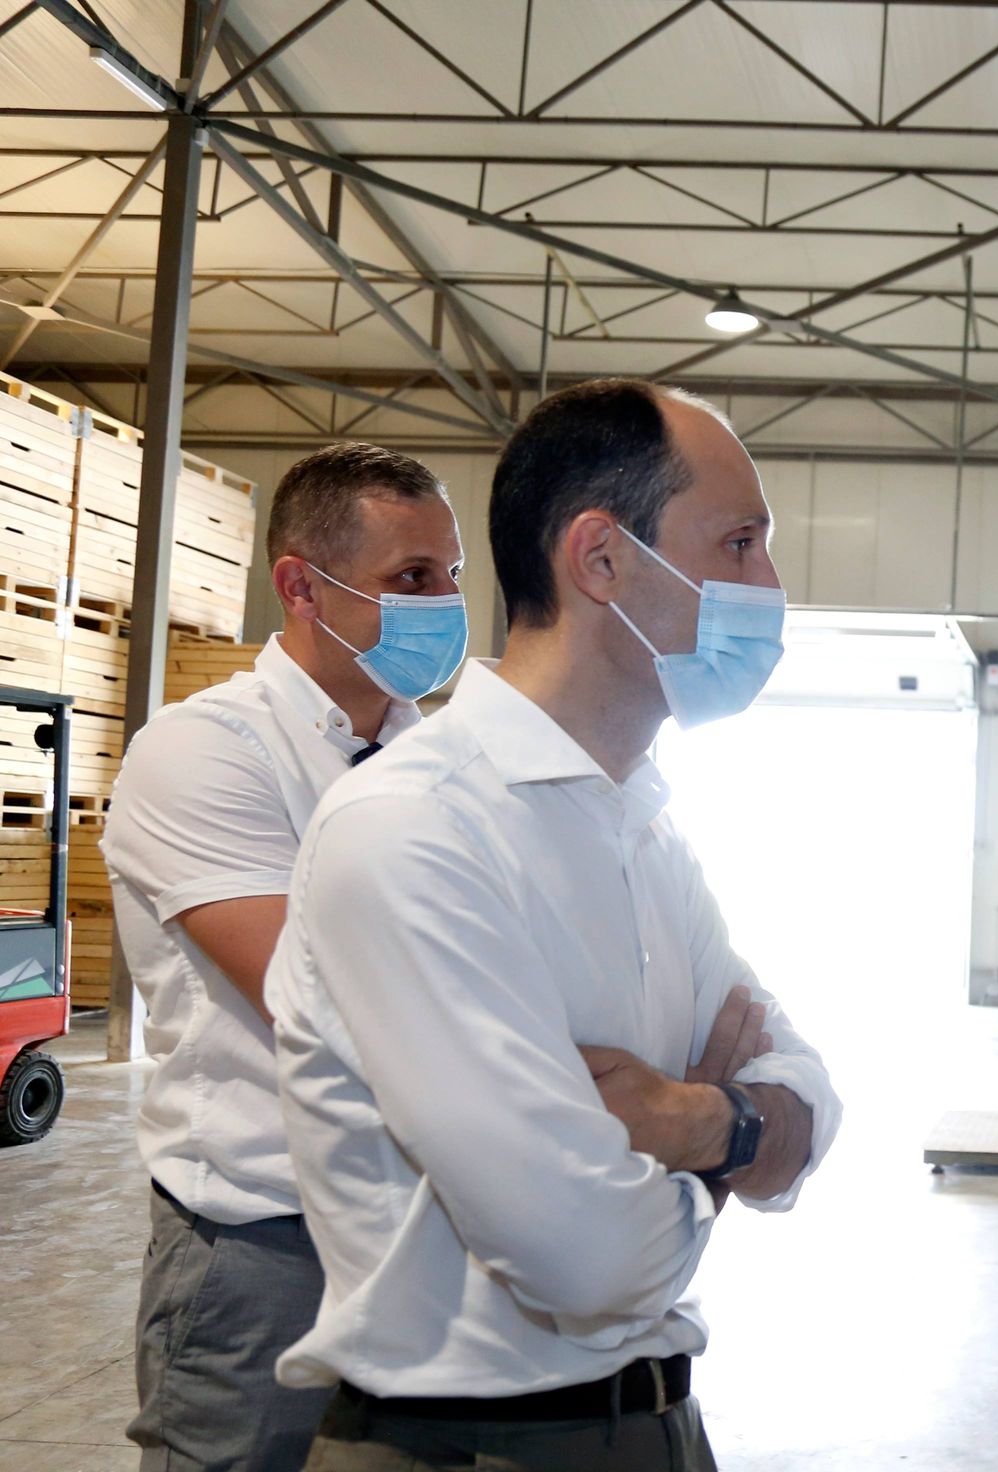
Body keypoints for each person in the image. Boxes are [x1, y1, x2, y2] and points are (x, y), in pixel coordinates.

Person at [266, 378, 840, 1469]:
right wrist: (737, 1139)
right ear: (602, 559)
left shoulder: (642, 825)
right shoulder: (413, 829)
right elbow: (588, 1261)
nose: (769, 587)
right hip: (465, 1446)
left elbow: (810, 1100)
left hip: (661, 1426)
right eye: (739, 543)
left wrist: (694, 1121)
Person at [104, 443, 468, 1470]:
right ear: (302, 586)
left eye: (450, 575)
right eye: (411, 577)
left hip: (431, 1234)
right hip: (268, 1243)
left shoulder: (444, 762)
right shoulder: (207, 750)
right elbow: (313, 996)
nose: (445, 604)